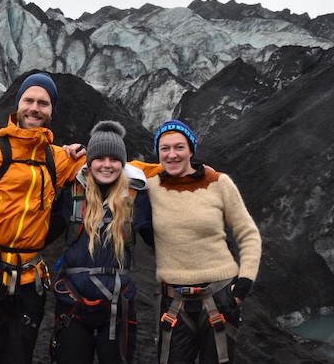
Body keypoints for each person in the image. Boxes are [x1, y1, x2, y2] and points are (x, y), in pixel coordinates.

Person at [0, 72, 86, 364]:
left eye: (43, 103)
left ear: (52, 111)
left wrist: (177, 170)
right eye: (29, 100)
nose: (35, 108)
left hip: (29, 283)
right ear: (18, 104)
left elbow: (112, 167)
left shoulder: (56, 159)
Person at [133, 119, 262, 364]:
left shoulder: (218, 183)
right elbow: (109, 165)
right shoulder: (150, 187)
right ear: (157, 154)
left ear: (191, 150)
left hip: (219, 297)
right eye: (165, 148)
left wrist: (243, 284)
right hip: (173, 302)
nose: (172, 155)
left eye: (179, 147)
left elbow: (248, 233)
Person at [49, 121, 148, 364]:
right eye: (99, 158)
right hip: (72, 302)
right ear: (89, 161)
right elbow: (42, 231)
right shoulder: (73, 193)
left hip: (118, 306)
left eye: (114, 159)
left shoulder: (136, 197)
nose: (106, 165)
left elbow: (157, 235)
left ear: (123, 163)